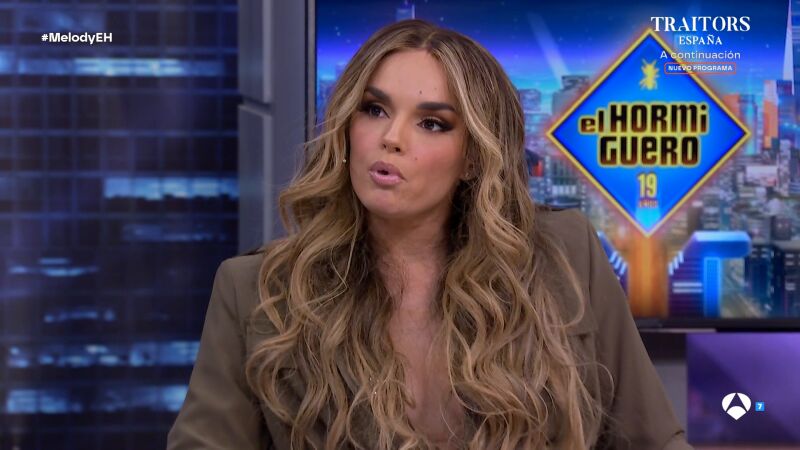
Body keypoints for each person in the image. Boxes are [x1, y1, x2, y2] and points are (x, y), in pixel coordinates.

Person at [167, 19, 692, 450]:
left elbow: (653, 439)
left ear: (473, 158)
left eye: (432, 123)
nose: (390, 138)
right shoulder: (255, 291)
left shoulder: (565, 254)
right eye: (374, 110)